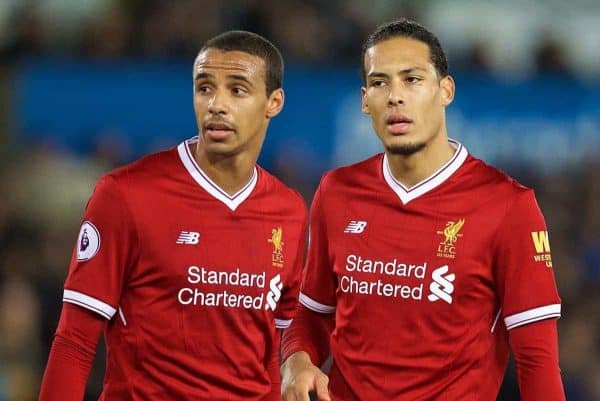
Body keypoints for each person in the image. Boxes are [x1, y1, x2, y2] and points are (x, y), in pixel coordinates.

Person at [280, 19, 565, 401]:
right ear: (366, 100)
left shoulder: (508, 206)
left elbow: (537, 361)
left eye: (412, 79)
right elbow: (313, 313)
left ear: (445, 90)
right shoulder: (337, 192)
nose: (395, 96)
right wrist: (296, 358)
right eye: (381, 82)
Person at [38, 30, 308, 401]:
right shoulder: (126, 194)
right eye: (204, 87)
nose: (216, 104)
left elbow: (273, 348)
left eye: (237, 90)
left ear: (273, 102)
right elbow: (75, 340)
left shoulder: (289, 210)